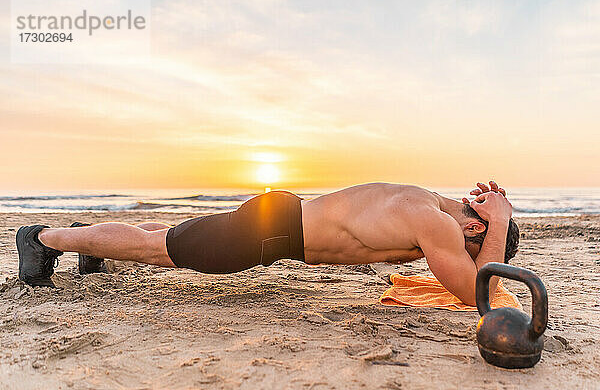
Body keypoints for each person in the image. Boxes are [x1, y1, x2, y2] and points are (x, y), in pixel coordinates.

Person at [16, 181, 518, 306]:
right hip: (269, 232)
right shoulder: (439, 224)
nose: (474, 254)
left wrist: (495, 217)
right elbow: (479, 291)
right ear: (475, 229)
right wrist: (501, 221)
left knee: (164, 239)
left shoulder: (422, 202)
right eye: (482, 244)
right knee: (160, 249)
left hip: (279, 218)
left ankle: (91, 242)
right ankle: (41, 238)